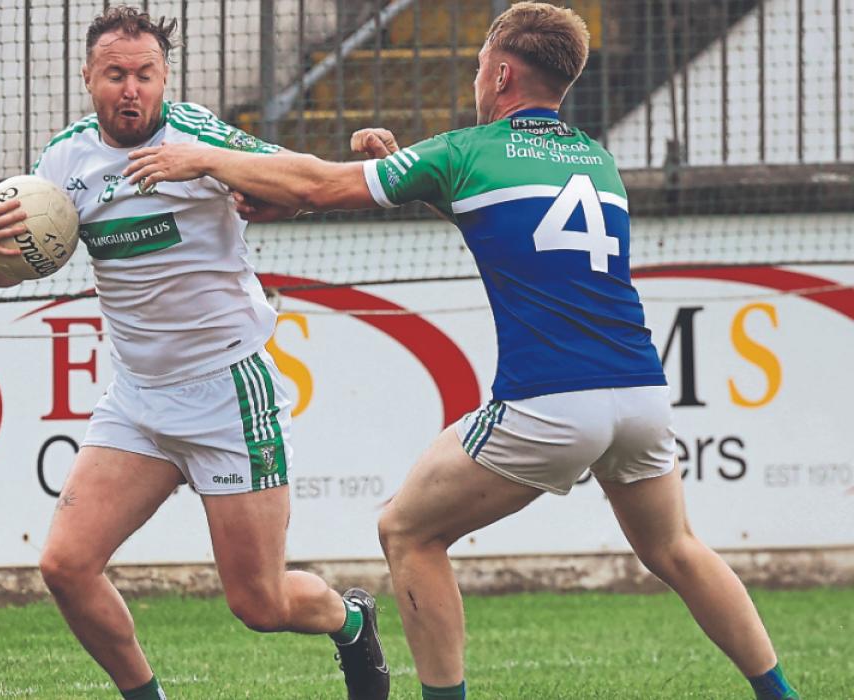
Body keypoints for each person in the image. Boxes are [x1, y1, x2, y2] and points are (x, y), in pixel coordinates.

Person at [122, 3, 800, 699]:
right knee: (676, 549)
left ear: (502, 72)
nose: (478, 77)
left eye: (481, 64)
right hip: (641, 397)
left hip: (550, 403)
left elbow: (316, 186)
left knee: (406, 531)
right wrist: (405, 173)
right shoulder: (596, 161)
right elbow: (509, 224)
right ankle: (781, 693)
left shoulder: (465, 151)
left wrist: (199, 156)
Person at [0, 6, 389, 700]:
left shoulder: (196, 137)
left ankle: (349, 618)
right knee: (66, 565)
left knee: (260, 605)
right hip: (139, 399)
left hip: (227, 394)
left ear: (165, 78)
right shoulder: (63, 164)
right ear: (88, 77)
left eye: (144, 75)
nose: (131, 89)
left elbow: (299, 181)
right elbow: (16, 264)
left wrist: (217, 162)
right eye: (115, 74)